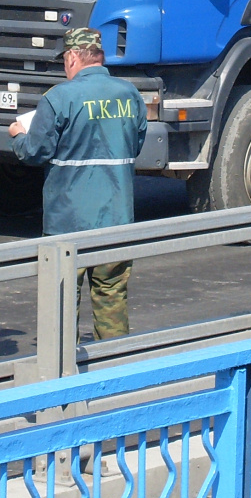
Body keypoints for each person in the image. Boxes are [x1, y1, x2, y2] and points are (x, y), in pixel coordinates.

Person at [9, 27, 147, 339]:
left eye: (64, 60)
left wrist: (18, 135)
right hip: (116, 218)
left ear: (72, 56)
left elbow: (34, 152)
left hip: (67, 223)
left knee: (61, 298)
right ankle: (114, 363)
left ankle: (61, 366)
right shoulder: (129, 94)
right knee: (111, 295)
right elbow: (135, 145)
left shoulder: (59, 97)